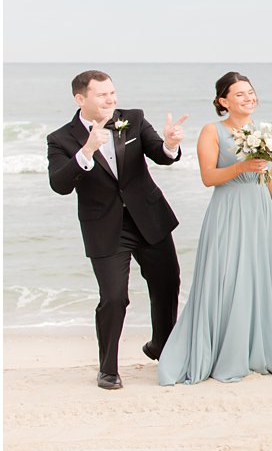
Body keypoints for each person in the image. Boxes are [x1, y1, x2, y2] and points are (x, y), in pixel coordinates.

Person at [46, 71, 187, 389]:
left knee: (167, 283)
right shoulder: (61, 139)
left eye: (113, 93)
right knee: (114, 298)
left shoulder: (132, 119)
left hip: (148, 217)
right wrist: (86, 151)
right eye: (102, 95)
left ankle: (160, 346)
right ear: (81, 99)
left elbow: (160, 156)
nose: (111, 99)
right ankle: (107, 368)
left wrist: (169, 144)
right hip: (106, 227)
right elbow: (59, 185)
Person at [158, 73, 272, 384]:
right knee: (226, 278)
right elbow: (208, 177)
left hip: (258, 212)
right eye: (240, 94)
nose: (248, 98)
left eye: (250, 92)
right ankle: (219, 353)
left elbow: (271, 175)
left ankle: (251, 351)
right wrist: (241, 167)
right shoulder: (211, 131)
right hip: (228, 211)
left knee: (254, 278)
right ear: (223, 101)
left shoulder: (262, 131)